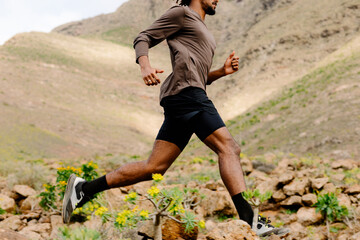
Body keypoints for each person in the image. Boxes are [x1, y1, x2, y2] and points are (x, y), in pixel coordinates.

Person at [62, 0, 289, 237]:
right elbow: (143, 37)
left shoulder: (200, 27)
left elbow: (197, 75)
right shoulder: (182, 13)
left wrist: (221, 73)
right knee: (229, 147)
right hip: (188, 95)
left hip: (184, 95)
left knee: (154, 167)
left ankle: (84, 188)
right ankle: (251, 220)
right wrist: (145, 66)